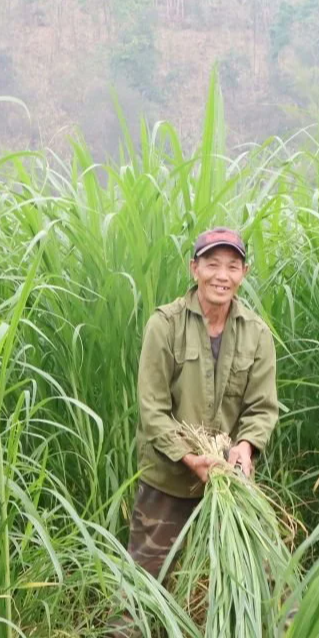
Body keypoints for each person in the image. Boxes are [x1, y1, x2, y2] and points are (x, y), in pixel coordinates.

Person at [126, 226, 279, 580]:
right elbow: (152, 409)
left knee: (264, 578)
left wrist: (244, 448)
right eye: (212, 265)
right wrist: (191, 458)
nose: (222, 276)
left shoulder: (256, 333)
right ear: (194, 269)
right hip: (170, 479)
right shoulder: (165, 325)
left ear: (244, 273)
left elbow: (262, 408)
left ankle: (281, 637)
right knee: (145, 586)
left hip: (230, 476)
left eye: (232, 266)